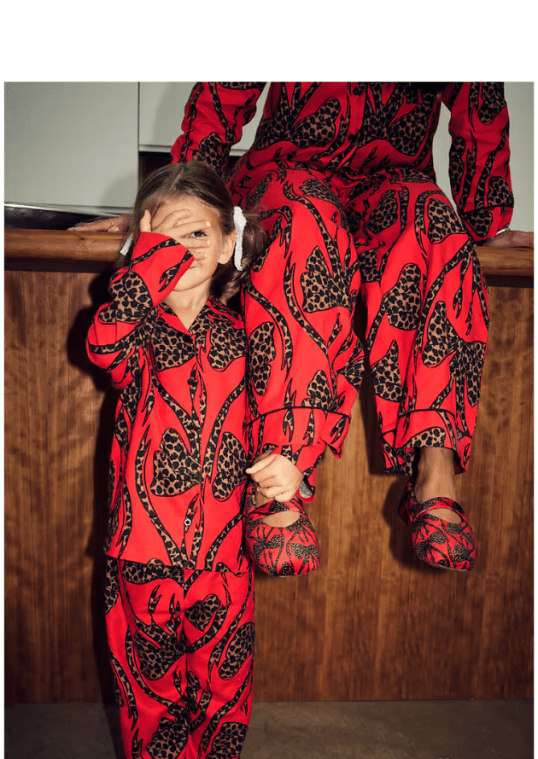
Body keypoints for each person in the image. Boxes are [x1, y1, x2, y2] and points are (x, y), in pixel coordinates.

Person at [80, 82, 533, 571]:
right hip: (286, 167)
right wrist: (175, 207)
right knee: (300, 222)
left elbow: (478, 97)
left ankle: (436, 467)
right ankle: (282, 471)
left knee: (436, 227)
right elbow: (223, 92)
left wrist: (485, 220)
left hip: (397, 176)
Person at [86, 160, 324, 759]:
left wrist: (290, 474)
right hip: (141, 554)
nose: (179, 254)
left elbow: (281, 419)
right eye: (160, 240)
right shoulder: (132, 331)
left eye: (195, 237)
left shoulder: (247, 332)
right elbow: (101, 343)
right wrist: (145, 264)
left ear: (227, 244)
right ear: (138, 249)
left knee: (223, 687)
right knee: (147, 688)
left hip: (224, 557)